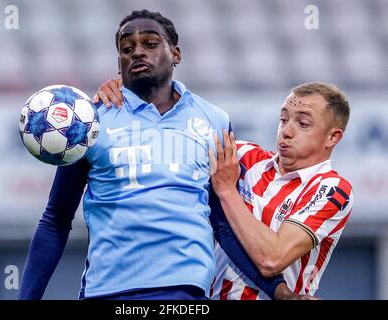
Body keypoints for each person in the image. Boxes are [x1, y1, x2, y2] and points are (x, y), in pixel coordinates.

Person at [19, 9, 295, 300]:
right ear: (119, 63)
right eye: (127, 49)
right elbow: (56, 220)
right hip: (109, 291)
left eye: (150, 44)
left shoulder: (214, 120)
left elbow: (223, 224)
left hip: (186, 294)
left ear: (175, 54)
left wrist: (277, 291)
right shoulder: (91, 121)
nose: (137, 52)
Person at [209, 82, 353, 299]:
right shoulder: (242, 155)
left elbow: (272, 259)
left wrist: (227, 192)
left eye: (303, 123)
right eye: (283, 119)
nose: (286, 131)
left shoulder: (332, 189)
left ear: (333, 137)